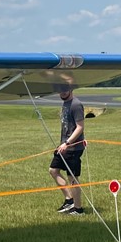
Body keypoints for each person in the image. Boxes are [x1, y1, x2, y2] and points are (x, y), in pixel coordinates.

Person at [49, 82, 86, 215]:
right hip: (64, 146)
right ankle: (69, 200)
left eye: (65, 89)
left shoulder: (76, 104)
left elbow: (80, 127)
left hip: (73, 147)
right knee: (53, 170)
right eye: (60, 90)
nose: (63, 92)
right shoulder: (65, 103)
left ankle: (78, 209)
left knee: (72, 178)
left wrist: (67, 143)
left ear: (71, 89)